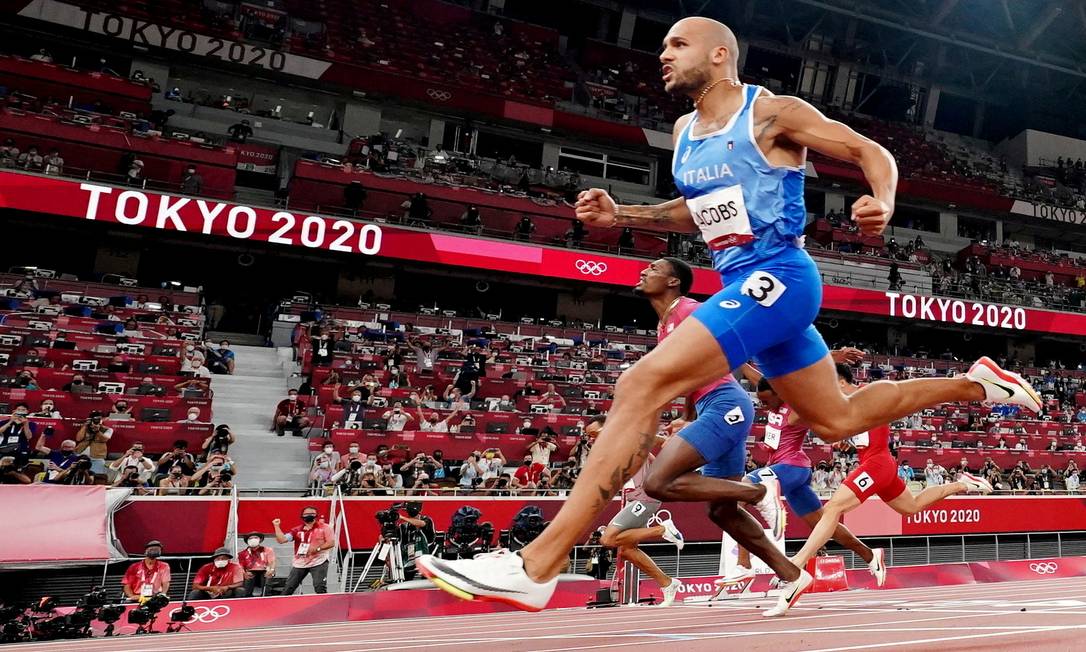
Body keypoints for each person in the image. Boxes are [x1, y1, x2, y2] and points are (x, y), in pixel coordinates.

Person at [413, 16, 1041, 615]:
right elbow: (697, 209)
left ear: (719, 55)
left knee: (641, 382)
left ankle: (537, 566)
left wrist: (882, 199)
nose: (663, 54)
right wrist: (625, 216)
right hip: (746, 282)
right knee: (836, 418)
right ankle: (979, 383)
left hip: (782, 277)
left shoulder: (770, 111)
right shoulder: (686, 131)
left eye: (677, 44)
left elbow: (869, 150)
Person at [788, 364, 993, 598]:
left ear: (841, 382)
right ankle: (962, 483)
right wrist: (849, 442)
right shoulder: (849, 407)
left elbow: (886, 413)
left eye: (830, 386)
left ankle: (798, 562)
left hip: (877, 464)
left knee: (833, 508)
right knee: (911, 507)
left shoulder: (868, 394)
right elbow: (865, 433)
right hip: (879, 464)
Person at [728, 362, 883, 587]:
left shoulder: (796, 411)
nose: (763, 405)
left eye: (766, 401)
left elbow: (822, 417)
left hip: (792, 468)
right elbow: (756, 377)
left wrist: (839, 435)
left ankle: (744, 564)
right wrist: (736, 355)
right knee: (824, 524)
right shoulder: (769, 390)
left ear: (780, 394)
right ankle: (870, 556)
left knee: (741, 490)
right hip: (787, 474)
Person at [593, 415, 687, 606]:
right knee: (627, 551)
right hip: (635, 498)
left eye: (595, 433)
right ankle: (667, 583)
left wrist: (665, 440)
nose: (592, 438)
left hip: (644, 498)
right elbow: (650, 457)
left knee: (608, 539)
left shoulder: (625, 437)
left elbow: (647, 437)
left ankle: (662, 530)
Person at [273, 506, 335, 594]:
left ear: (316, 515)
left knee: (319, 586)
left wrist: (317, 549)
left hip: (319, 561)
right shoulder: (297, 530)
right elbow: (282, 540)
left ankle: (324, 606)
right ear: (302, 516)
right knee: (289, 587)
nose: (309, 515)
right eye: (306, 514)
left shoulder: (325, 527)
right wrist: (276, 526)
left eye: (312, 514)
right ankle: (282, 605)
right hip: (300, 562)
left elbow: (331, 543)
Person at [238, 532, 277, 596]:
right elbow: (240, 566)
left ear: (260, 540)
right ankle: (247, 597)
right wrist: (244, 573)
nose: (253, 539)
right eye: (250, 538)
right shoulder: (242, 553)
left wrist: (271, 570)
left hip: (265, 571)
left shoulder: (268, 550)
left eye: (256, 538)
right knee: (248, 577)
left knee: (268, 576)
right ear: (247, 541)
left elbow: (272, 561)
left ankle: (266, 596)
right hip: (250, 572)